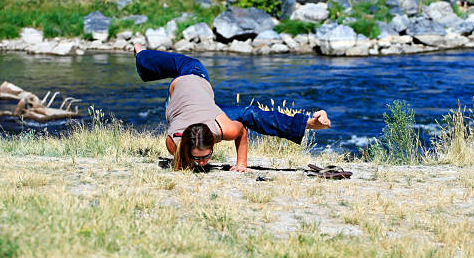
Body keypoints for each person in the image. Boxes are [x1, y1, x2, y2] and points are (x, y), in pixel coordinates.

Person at [134, 44, 331, 172]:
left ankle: (309, 122)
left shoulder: (223, 129)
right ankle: (142, 59)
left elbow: (241, 132)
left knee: (249, 113)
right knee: (157, 63)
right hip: (190, 90)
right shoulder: (173, 143)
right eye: (197, 157)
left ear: (213, 142)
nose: (202, 162)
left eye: (206, 156)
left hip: (200, 91)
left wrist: (241, 164)